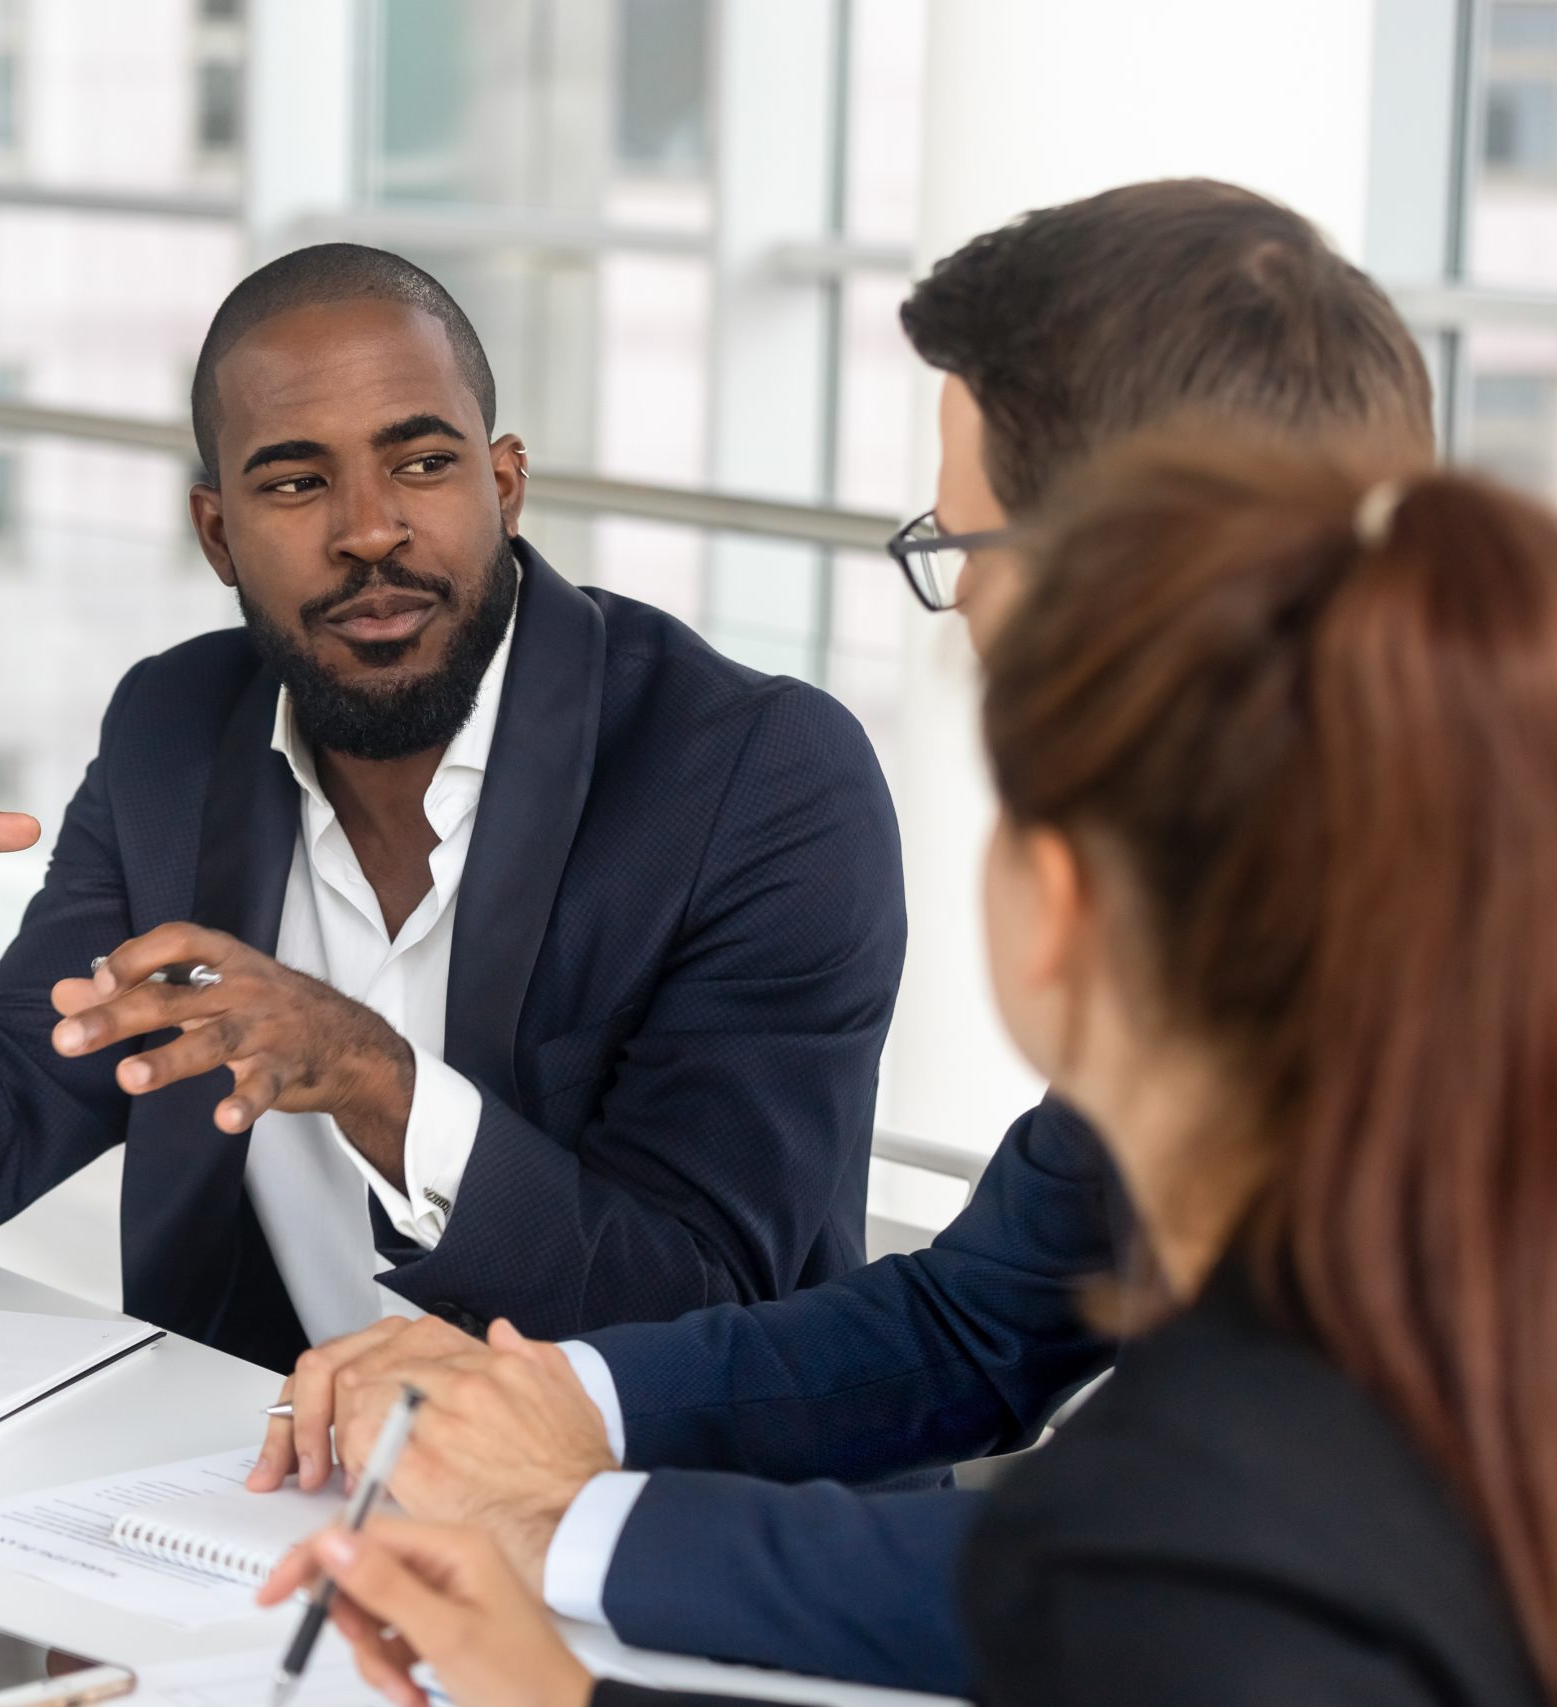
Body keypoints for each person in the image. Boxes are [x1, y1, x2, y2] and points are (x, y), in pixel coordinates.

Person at [252, 180, 1441, 1695]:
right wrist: (559, 1400)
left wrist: (578, 1531)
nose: (958, 614)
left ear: (1111, 575)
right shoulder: (1242, 896)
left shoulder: (1442, 978)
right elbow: (981, 1316)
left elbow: (1205, 1584)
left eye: (962, 543)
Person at [0, 243, 906, 1371]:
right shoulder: (176, 734)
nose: (370, 531)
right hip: (270, 1515)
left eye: (422, 464)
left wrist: (373, 1077)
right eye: (295, 482)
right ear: (216, 532)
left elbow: (713, 1311)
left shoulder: (757, 776)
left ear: (506, 482)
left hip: (649, 1544)